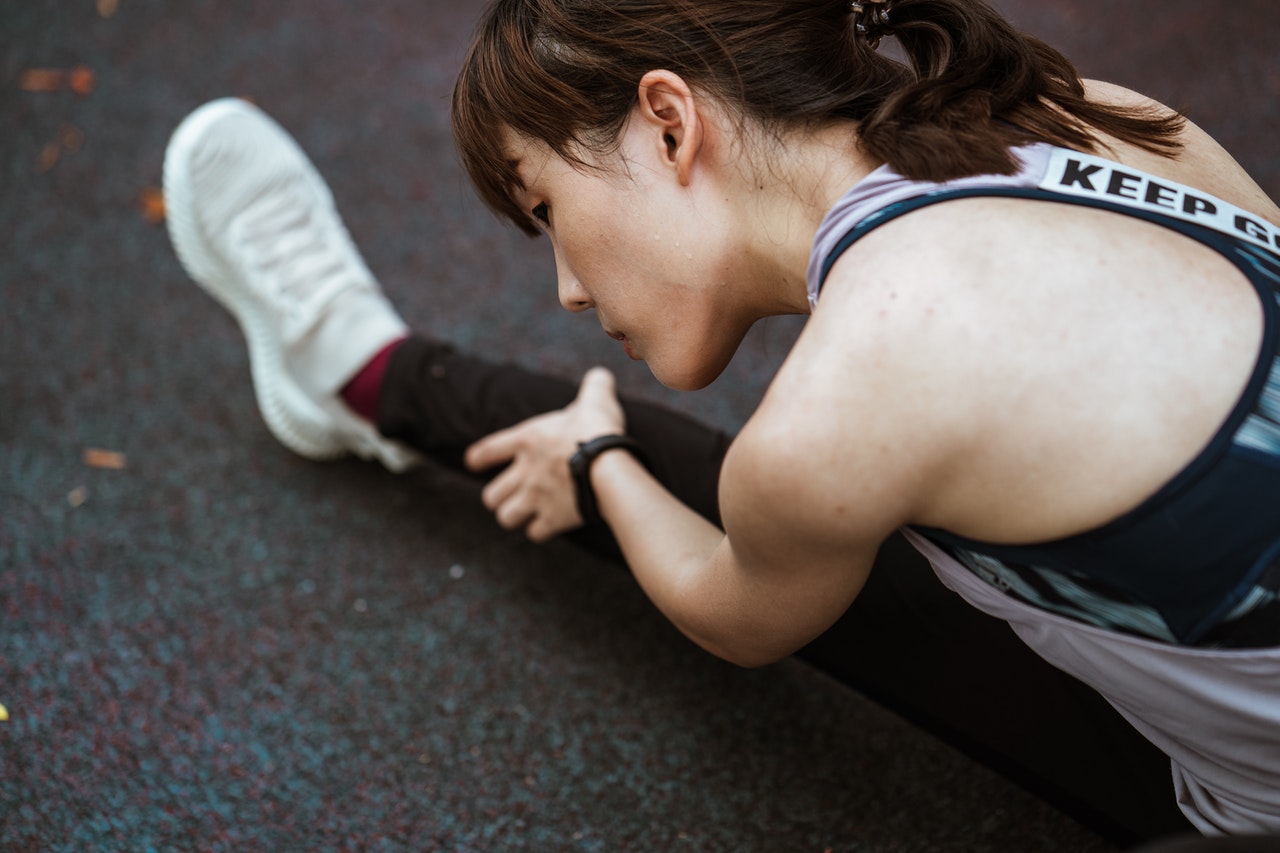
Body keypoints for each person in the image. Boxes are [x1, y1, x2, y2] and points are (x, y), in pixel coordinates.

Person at [163, 0, 1280, 841]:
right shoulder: (1102, 119)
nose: (563, 285)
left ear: (666, 120)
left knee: (743, 500)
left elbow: (732, 610)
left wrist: (597, 453)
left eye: (545, 207)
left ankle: (363, 371)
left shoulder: (849, 399)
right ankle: (363, 371)